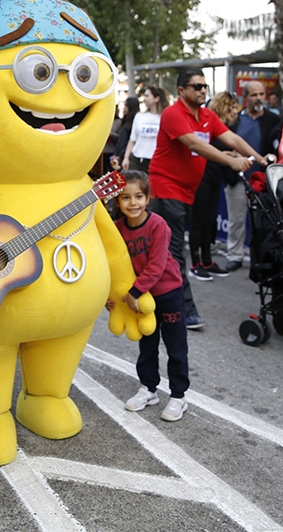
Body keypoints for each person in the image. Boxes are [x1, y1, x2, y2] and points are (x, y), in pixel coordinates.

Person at [149, 68, 267, 330]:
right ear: (182, 90)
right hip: (166, 188)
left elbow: (232, 138)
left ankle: (149, 294)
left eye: (204, 86)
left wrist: (258, 158)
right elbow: (195, 145)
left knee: (165, 249)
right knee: (175, 251)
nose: (203, 90)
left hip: (187, 191)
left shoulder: (206, 115)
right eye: (196, 86)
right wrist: (231, 161)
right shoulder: (173, 114)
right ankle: (184, 310)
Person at [111, 171, 190, 422]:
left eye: (138, 197)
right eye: (126, 197)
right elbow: (112, 265)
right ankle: (148, 389)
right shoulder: (117, 229)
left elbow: (156, 265)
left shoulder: (158, 225)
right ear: (117, 201)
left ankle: (179, 395)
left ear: (148, 198)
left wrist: (134, 292)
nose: (132, 203)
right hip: (142, 299)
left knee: (175, 346)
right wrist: (109, 297)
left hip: (167, 292)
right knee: (147, 345)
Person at [225, 81, 280, 272]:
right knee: (236, 218)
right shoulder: (235, 120)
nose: (258, 98)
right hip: (237, 177)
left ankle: (259, 257)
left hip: (262, 180)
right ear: (245, 97)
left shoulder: (273, 120)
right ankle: (235, 255)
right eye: (254, 95)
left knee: (261, 221)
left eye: (261, 94)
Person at [188, 91, 238, 280]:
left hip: (216, 178)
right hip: (202, 178)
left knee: (210, 221)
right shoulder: (208, 125)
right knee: (198, 221)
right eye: (232, 107)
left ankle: (207, 261)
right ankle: (195, 263)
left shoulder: (225, 127)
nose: (235, 111)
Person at [122, 85, 167, 174]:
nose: (144, 99)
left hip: (156, 161)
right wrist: (126, 158)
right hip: (137, 160)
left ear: (156, 98)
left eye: (147, 96)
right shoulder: (139, 116)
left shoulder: (164, 117)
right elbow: (132, 140)